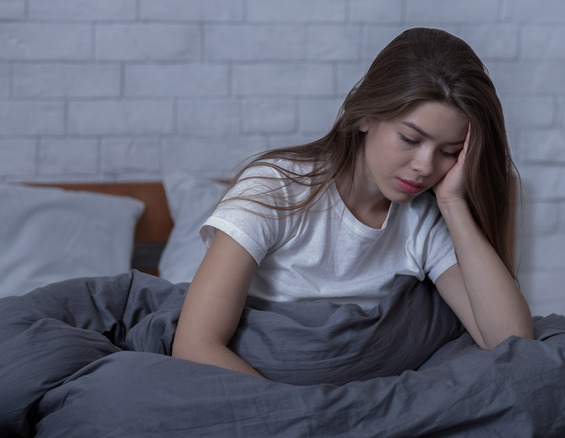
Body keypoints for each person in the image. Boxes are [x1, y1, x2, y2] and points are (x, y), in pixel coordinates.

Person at [172, 27, 534, 378]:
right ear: (365, 116)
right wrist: (306, 415)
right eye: (410, 139)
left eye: (448, 152)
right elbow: (195, 345)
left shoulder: (424, 218)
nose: (425, 166)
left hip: (361, 391)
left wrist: (454, 203)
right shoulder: (273, 189)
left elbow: (511, 342)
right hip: (267, 387)